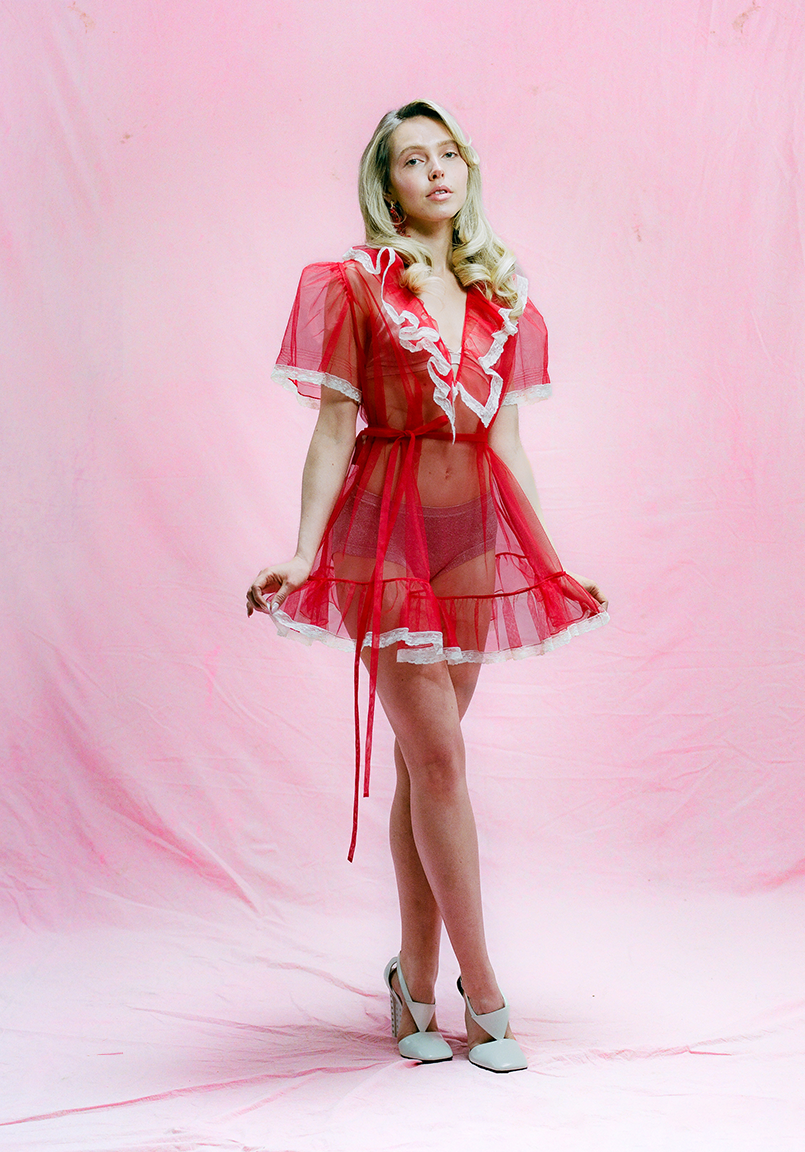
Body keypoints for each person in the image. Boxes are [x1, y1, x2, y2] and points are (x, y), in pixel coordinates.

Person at [246, 100, 608, 1073]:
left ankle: (410, 978)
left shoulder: (500, 298)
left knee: (420, 768)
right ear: (387, 184)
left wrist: (550, 558)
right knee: (442, 762)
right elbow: (333, 428)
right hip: (383, 536)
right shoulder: (353, 284)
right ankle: (482, 993)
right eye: (413, 159)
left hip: (470, 536)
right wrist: (301, 552)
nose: (436, 171)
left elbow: (506, 445)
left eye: (448, 154)